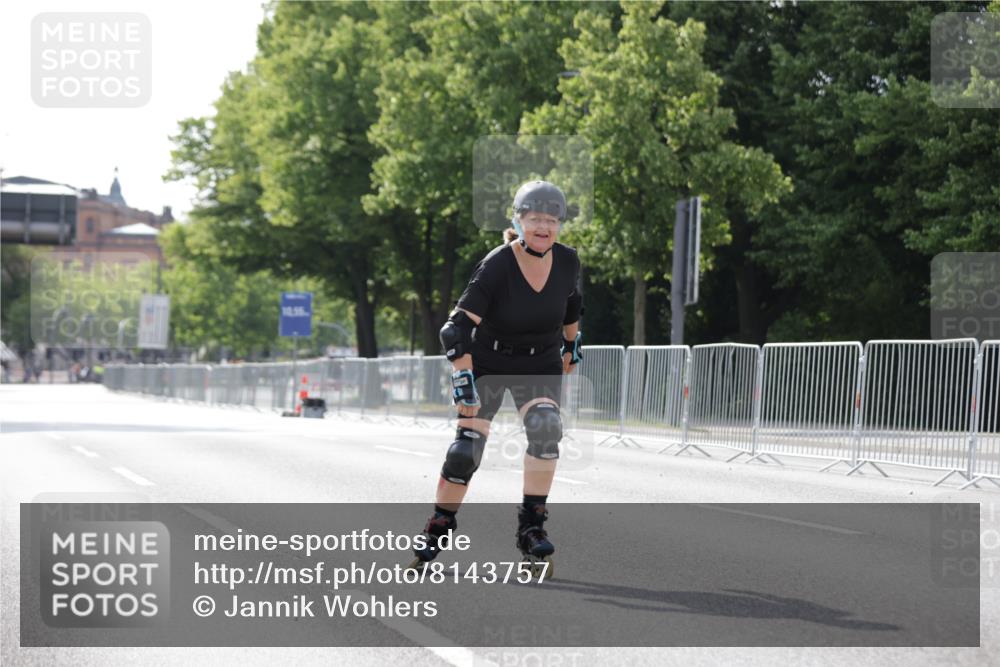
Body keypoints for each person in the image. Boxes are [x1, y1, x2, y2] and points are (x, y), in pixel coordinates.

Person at [412, 180, 584, 569]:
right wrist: (463, 378)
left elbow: (571, 305)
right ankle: (438, 526)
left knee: (545, 428)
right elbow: (454, 329)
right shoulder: (497, 264)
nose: (543, 227)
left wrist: (572, 344)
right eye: (535, 219)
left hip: (538, 362)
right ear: (519, 220)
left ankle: (532, 528)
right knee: (465, 452)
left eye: (551, 220)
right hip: (488, 362)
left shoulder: (568, 261)